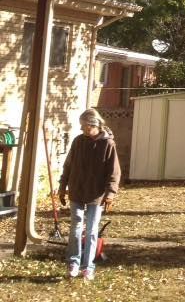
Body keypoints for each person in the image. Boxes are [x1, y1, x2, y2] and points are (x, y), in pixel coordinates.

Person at [58, 108, 121, 281]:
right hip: (77, 190)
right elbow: (68, 166)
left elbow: (114, 172)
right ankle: (73, 263)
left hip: (96, 193)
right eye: (82, 127)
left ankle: (88, 267)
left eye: (86, 127)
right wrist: (62, 187)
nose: (83, 130)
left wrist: (111, 194)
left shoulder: (108, 144)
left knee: (92, 230)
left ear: (95, 125)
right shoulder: (78, 141)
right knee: (76, 228)